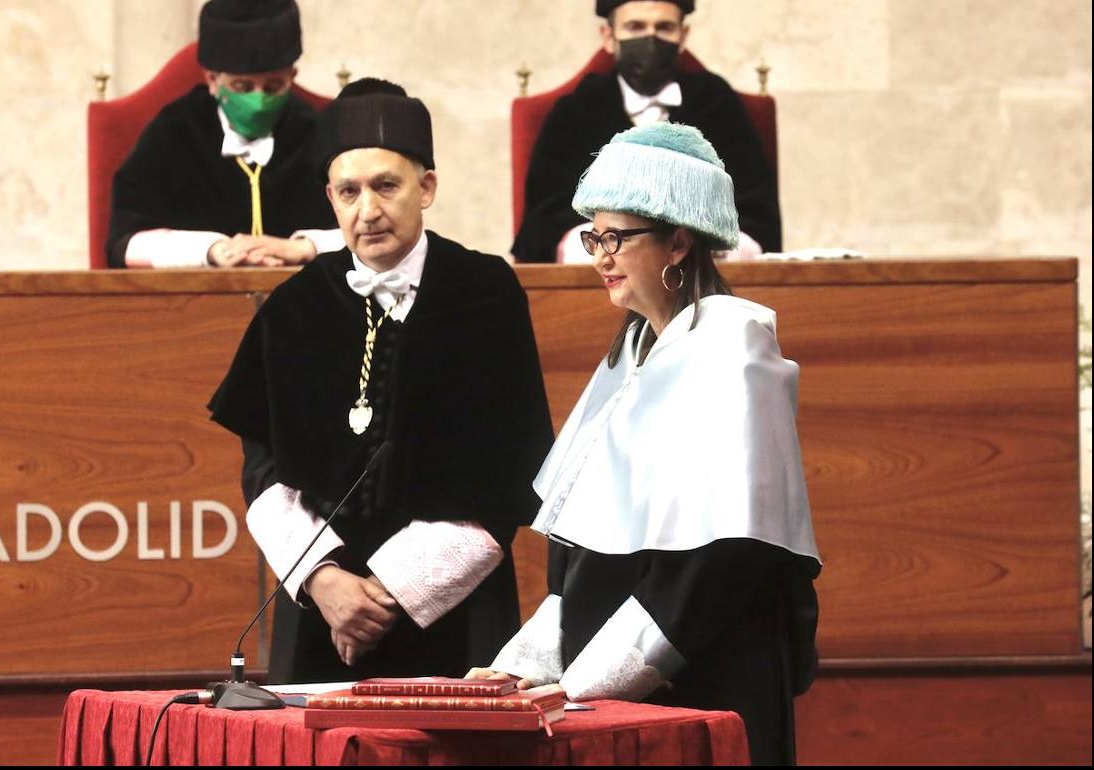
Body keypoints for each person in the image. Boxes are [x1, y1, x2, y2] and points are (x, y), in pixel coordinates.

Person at [470, 123, 820, 766]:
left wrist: (577, 687)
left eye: (617, 238)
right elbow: (585, 563)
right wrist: (518, 668)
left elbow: (713, 568)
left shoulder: (734, 358)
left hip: (704, 687)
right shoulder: (631, 353)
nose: (600, 256)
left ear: (679, 240)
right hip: (618, 698)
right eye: (593, 237)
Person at [207, 79, 554, 684]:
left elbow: (503, 473)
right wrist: (327, 581)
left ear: (427, 188)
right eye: (349, 191)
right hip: (322, 609)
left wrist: (387, 593)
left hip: (453, 610)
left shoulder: (485, 293)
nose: (367, 210)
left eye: (386, 186)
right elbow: (262, 469)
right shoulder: (294, 308)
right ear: (331, 200)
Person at [512, 0, 781, 264]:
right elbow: (546, 217)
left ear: (683, 35)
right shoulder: (576, 111)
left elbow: (755, 209)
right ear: (608, 35)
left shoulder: (716, 103)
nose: (650, 39)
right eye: (635, 27)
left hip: (700, 270)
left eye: (664, 27)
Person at [107, 0, 342, 269]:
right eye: (242, 87)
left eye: (273, 86)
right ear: (212, 81)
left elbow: (376, 232)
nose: (258, 101)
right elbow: (126, 242)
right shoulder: (174, 132)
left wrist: (304, 247)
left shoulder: (319, 132)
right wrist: (210, 251)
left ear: (292, 76)